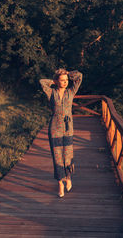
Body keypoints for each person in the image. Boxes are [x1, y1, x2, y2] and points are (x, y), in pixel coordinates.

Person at [40, 69, 82, 197]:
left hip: (68, 128)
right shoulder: (51, 93)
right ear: (57, 81)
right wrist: (53, 80)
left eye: (66, 80)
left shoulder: (71, 92)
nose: (65, 82)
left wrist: (68, 74)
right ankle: (60, 184)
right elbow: (42, 82)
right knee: (57, 157)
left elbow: (79, 76)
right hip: (55, 128)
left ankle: (68, 177)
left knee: (67, 155)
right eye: (62, 80)